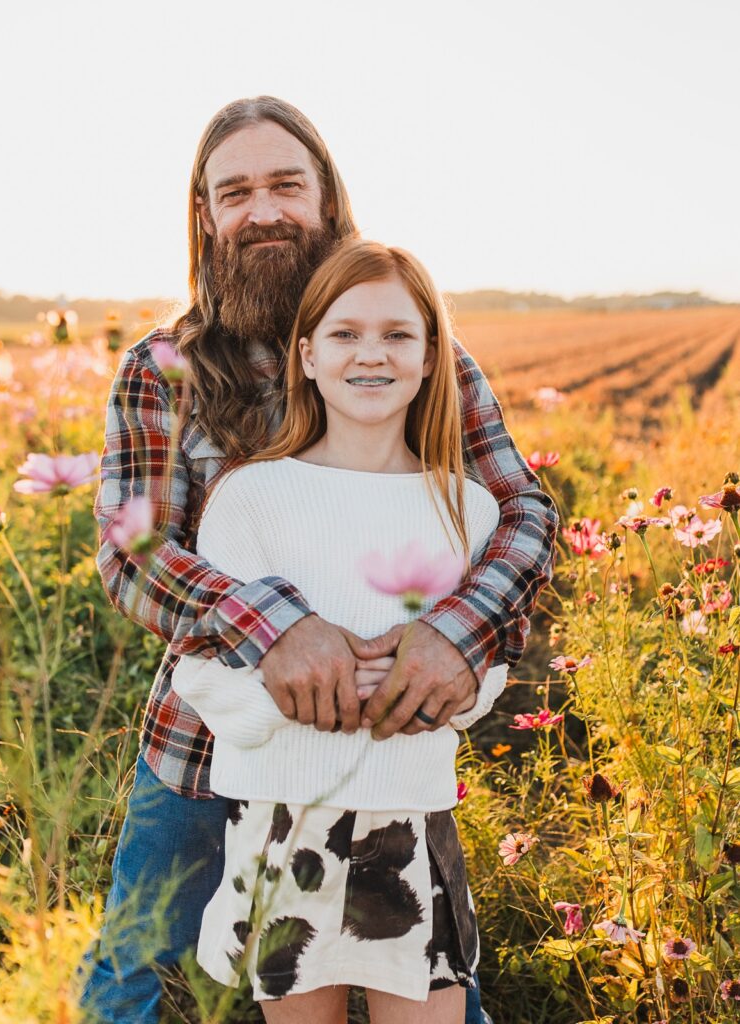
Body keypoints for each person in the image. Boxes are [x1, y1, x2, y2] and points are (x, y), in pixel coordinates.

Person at [80, 96, 558, 1024]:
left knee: (425, 973)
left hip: (385, 749)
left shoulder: (417, 349)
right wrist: (278, 627)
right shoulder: (162, 367)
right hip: (208, 746)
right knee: (131, 970)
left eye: (286, 185)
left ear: (328, 201)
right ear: (206, 216)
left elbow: (522, 513)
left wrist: (456, 638)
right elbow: (132, 553)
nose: (263, 210)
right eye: (236, 191)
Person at [170, 238, 512, 1024]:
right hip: (283, 826)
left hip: (414, 826)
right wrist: (294, 702)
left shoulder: (468, 508)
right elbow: (202, 669)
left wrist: (427, 693)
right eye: (345, 333)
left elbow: (490, 663)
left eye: (398, 335)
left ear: (433, 359)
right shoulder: (249, 498)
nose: (372, 355)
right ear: (308, 356)